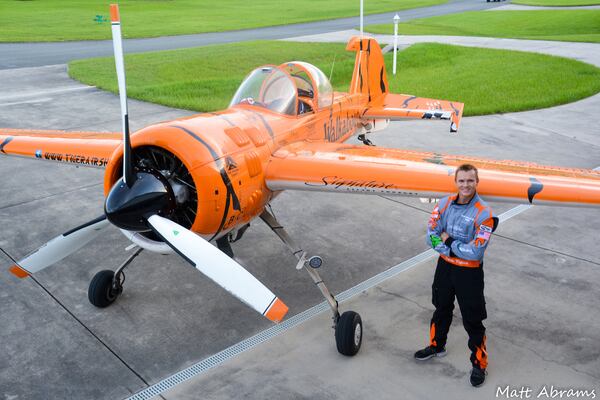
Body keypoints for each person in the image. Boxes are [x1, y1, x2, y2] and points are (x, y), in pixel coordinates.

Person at [414, 163, 495, 387]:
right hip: (445, 268)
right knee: (441, 309)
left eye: (470, 180)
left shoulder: (485, 213)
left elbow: (476, 251)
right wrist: (453, 248)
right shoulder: (444, 203)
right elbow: (430, 235)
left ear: (477, 182)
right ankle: (437, 346)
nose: (466, 185)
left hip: (469, 274)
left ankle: (479, 365)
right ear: (456, 182)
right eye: (462, 181)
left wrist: (448, 240)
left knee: (473, 320)